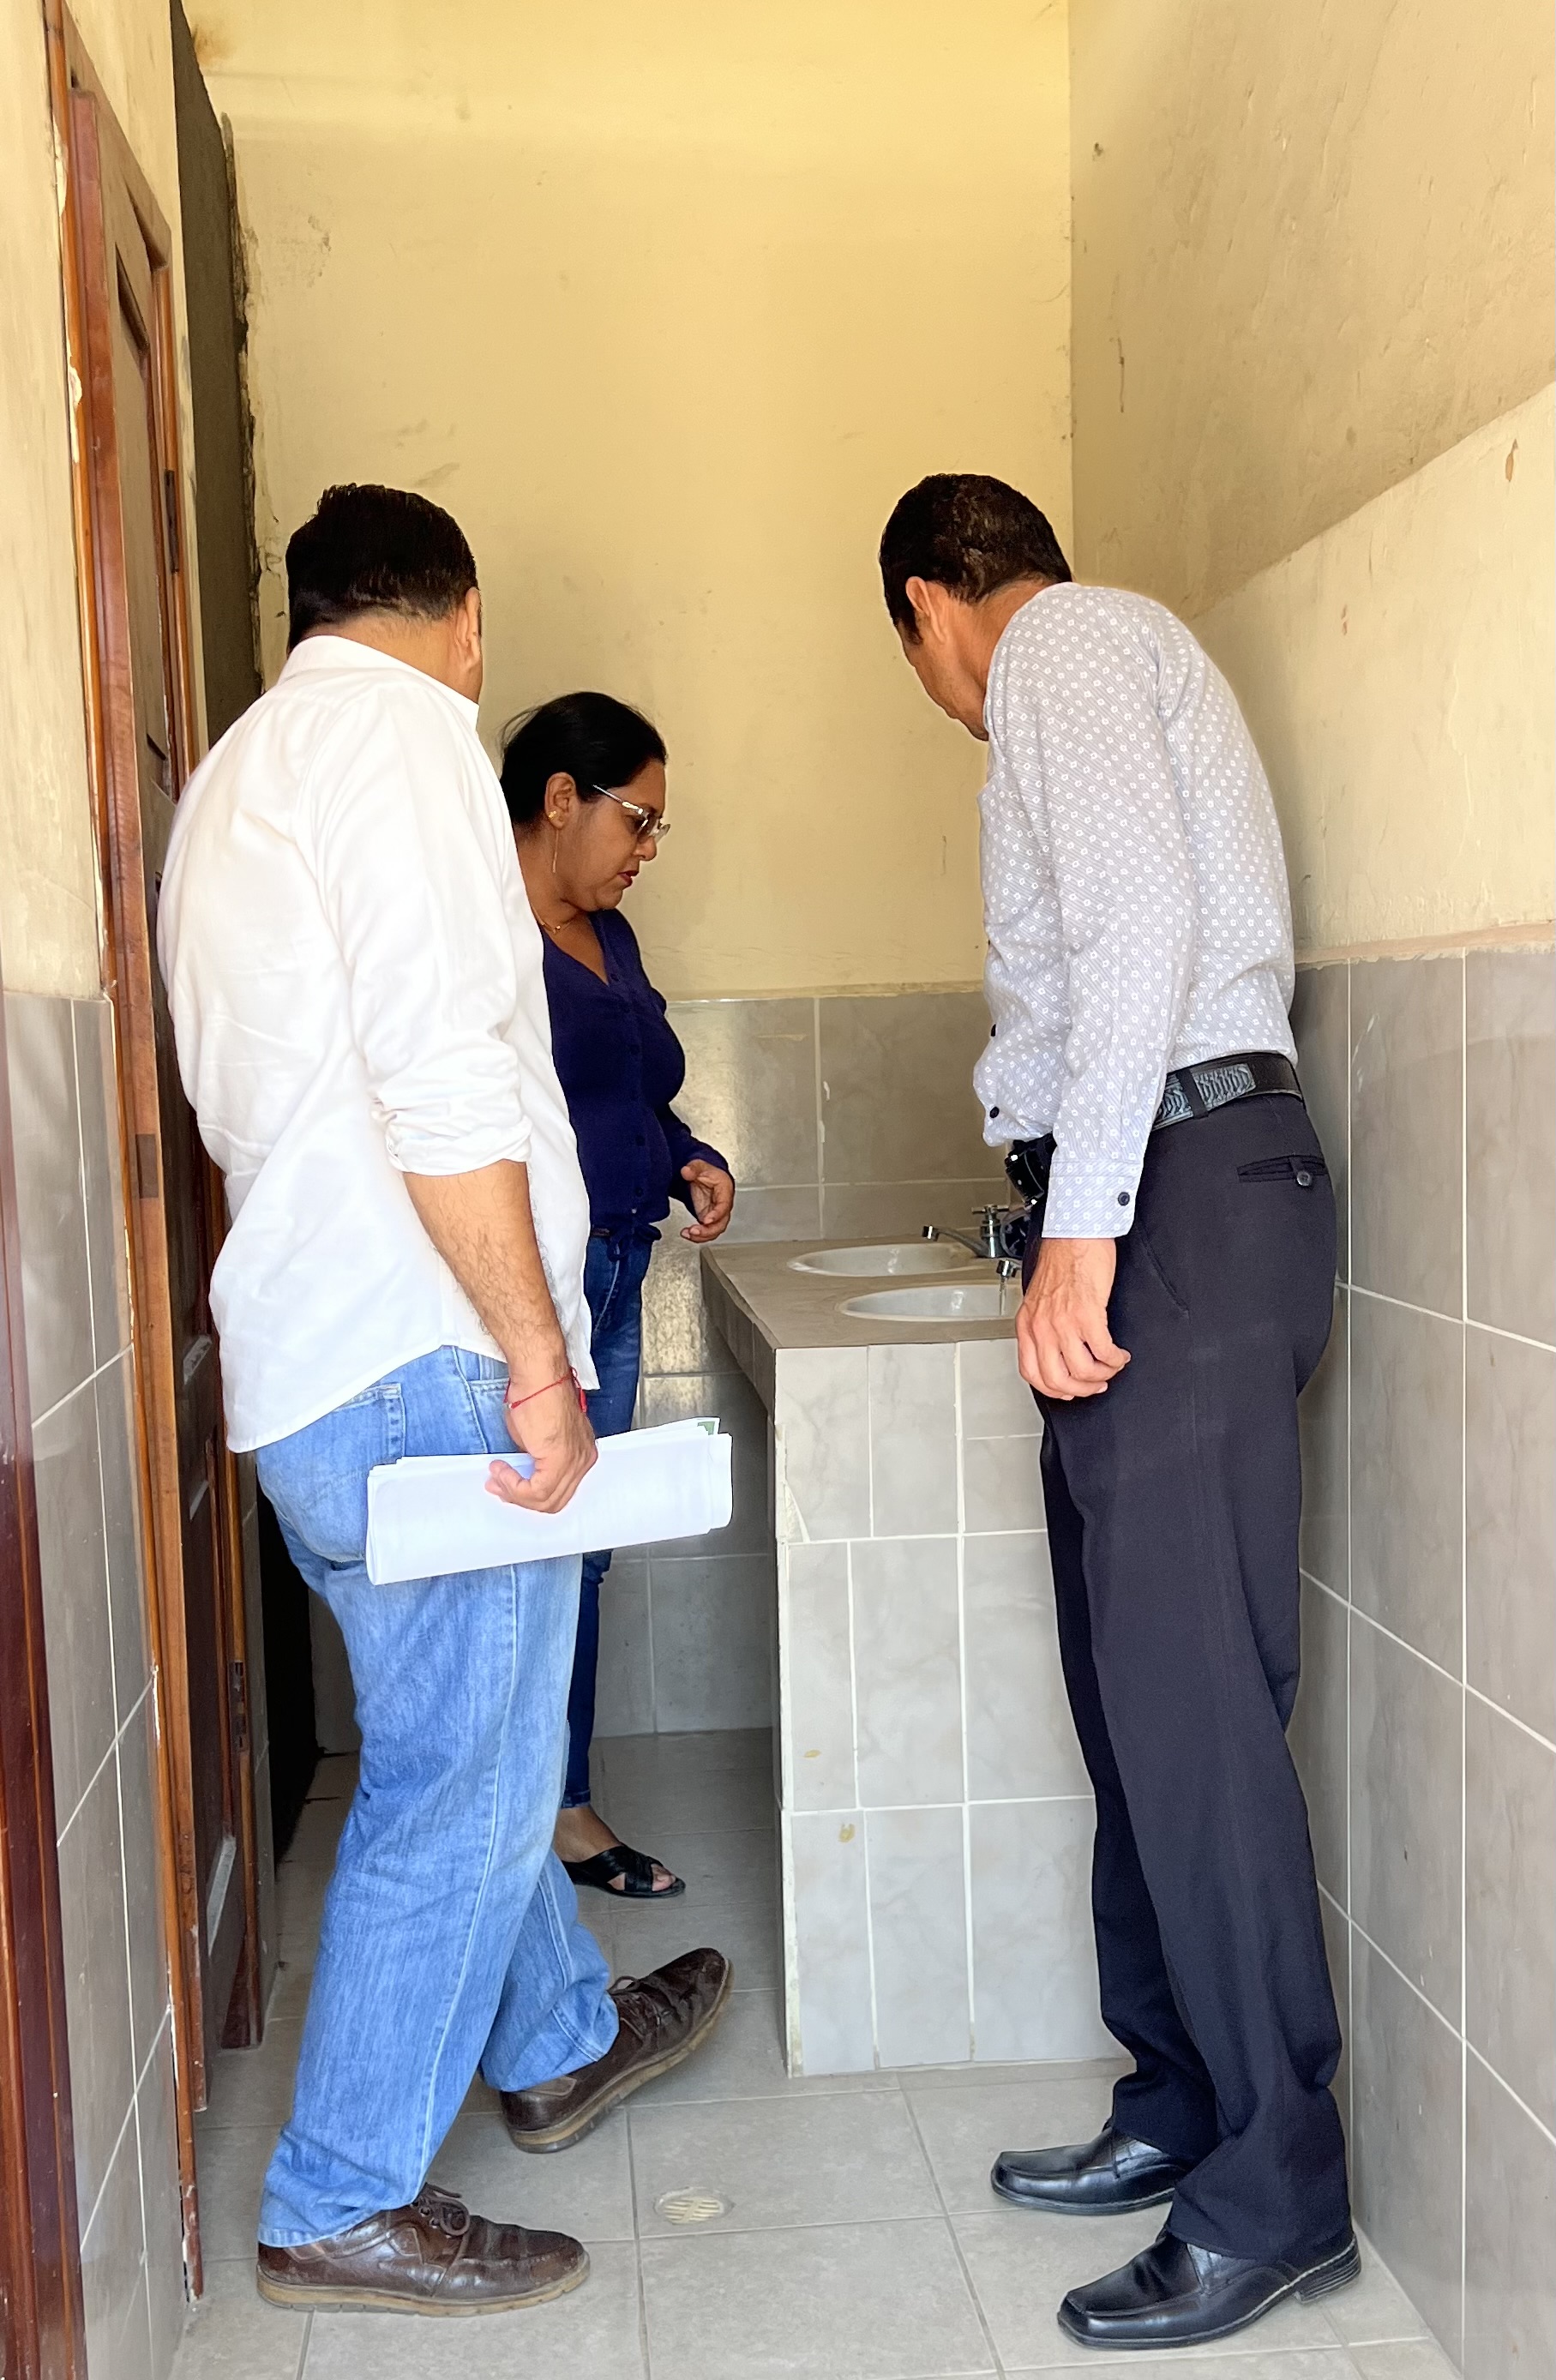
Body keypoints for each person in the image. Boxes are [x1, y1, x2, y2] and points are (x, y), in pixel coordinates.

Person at [159, 484, 730, 2318]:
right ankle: (341, 2194)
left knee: (457, 1743)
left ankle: (560, 2037)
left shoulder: (234, 777)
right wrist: (539, 1362)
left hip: (313, 1364)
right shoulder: (403, 748)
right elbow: (438, 1080)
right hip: (427, 1356)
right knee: (462, 1785)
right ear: (463, 620)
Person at [880, 474, 1355, 2355]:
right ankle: (1177, 2098)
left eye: (918, 656)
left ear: (932, 605)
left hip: (1178, 1197)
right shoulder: (1101, 661)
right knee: (1131, 1698)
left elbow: (1141, 935)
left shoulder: (1062, 644)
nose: (938, 690)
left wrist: (1082, 1229)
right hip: (1162, 1199)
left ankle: (1276, 2189)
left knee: (1193, 1714)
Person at [499, 692, 736, 1896]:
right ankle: (534, 1815)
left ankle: (562, 1802)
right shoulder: (486, 929)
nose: (648, 849)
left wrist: (686, 1152)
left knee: (582, 1549)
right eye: (637, 820)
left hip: (619, 1265)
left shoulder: (610, 936)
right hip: (537, 1283)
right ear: (560, 800)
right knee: (530, 1549)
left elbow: (633, 1091)